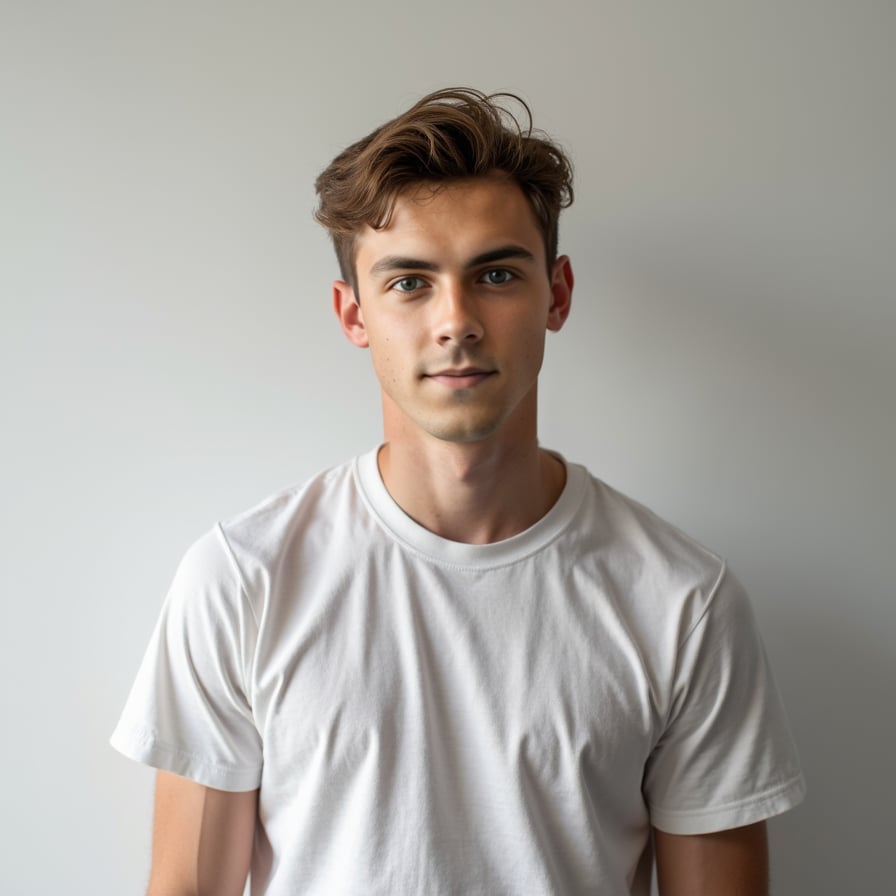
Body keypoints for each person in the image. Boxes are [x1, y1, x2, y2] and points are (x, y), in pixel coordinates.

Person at [111, 88, 805, 895]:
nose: (457, 321)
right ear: (353, 313)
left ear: (558, 294)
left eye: (497, 273)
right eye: (409, 282)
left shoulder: (685, 600)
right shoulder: (242, 579)